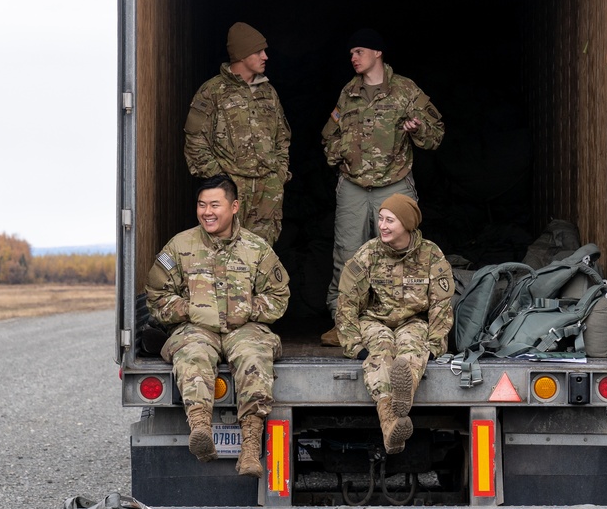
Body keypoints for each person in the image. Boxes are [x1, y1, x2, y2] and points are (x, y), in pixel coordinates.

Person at [145, 175, 290, 477]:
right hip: (196, 328)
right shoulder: (179, 247)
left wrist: (248, 309)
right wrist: (190, 309)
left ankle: (250, 447)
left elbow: (279, 295)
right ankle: (200, 429)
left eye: (214, 205)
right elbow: (157, 296)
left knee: (254, 357)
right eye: (201, 205)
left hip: (244, 328)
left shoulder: (256, 249)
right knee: (192, 354)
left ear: (234, 207)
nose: (207, 212)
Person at [320, 28, 445, 346]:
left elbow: (436, 134)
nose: (353, 58)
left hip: (394, 184)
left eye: (359, 51)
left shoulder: (405, 90)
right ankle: (343, 324)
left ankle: (403, 320)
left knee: (399, 252)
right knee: (348, 255)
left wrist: (417, 130)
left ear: (377, 52)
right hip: (353, 186)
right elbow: (329, 135)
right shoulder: (348, 92)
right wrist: (342, 155)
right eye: (351, 53)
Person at [336, 193, 454, 454]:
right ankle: (391, 420)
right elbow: (346, 302)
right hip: (374, 320)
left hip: (413, 321)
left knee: (411, 348)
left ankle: (398, 403)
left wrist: (435, 345)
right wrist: (353, 345)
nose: (382, 226)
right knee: (381, 349)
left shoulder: (431, 255)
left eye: (390, 220)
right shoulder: (368, 253)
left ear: (407, 225)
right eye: (380, 219)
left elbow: (441, 305)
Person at [184, 22, 291, 247]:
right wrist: (222, 183)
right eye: (259, 51)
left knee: (261, 257)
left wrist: (278, 175)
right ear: (242, 55)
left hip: (266, 193)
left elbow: (282, 137)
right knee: (224, 257)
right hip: (231, 192)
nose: (265, 56)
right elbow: (195, 142)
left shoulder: (268, 92)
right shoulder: (212, 91)